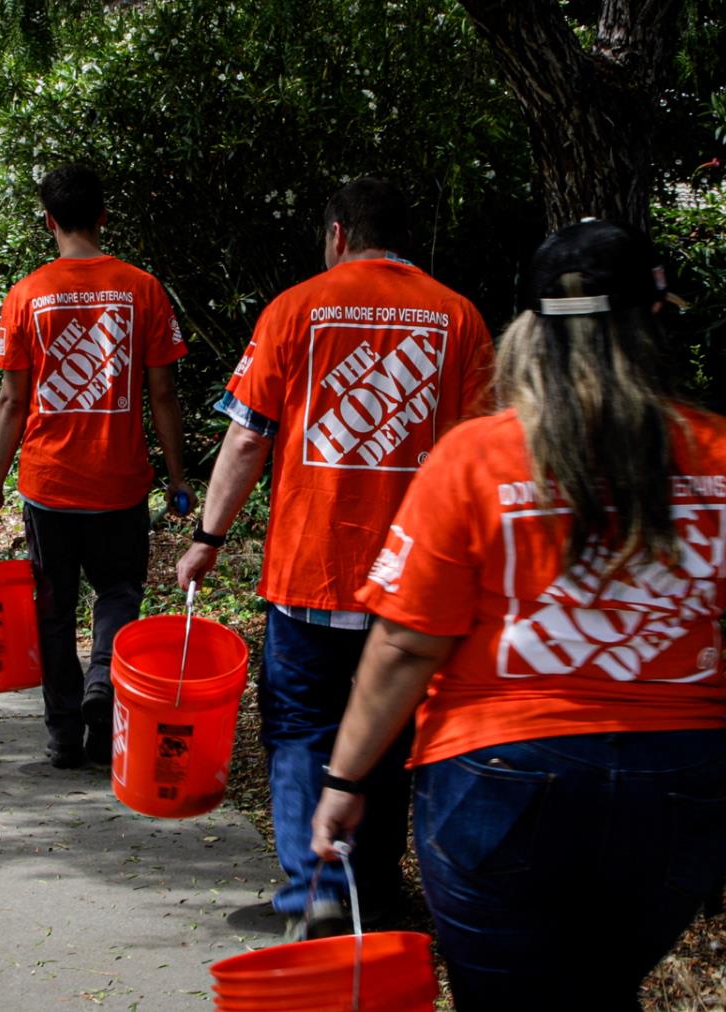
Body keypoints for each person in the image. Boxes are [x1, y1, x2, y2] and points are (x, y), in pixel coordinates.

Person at [309, 220, 726, 1009]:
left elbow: (404, 646)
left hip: (499, 780)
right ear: (654, 321)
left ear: (527, 332)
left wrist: (345, 778)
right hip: (676, 782)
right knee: (602, 988)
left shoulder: (474, 457)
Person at [176, 177, 494, 937]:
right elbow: (481, 452)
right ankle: (373, 896)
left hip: (309, 576)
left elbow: (249, 436)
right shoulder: (460, 318)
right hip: (415, 585)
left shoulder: (295, 309)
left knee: (299, 728)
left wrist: (207, 539)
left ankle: (317, 885)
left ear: (340, 235)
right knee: (388, 732)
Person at [0, 164, 192, 769]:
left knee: (53, 605)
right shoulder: (142, 288)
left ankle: (64, 736)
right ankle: (104, 681)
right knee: (119, 592)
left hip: (48, 484)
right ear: (103, 215)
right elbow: (163, 394)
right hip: (120, 483)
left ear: (49, 220)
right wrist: (177, 478)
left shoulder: (27, 295)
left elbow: (12, 401)